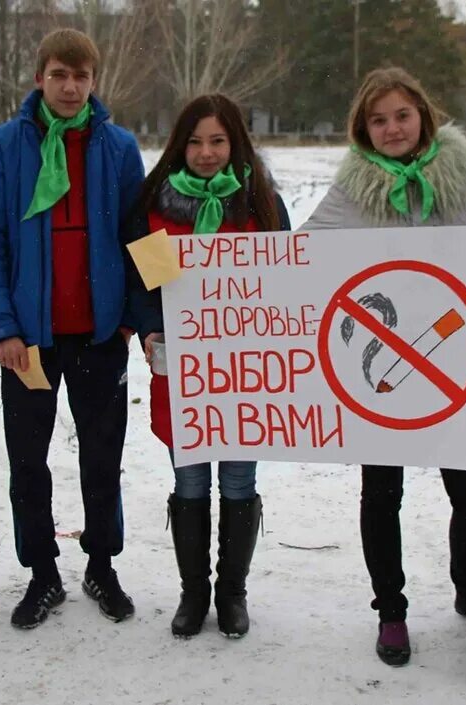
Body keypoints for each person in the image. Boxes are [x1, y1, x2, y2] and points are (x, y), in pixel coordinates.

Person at [301, 66, 466, 666]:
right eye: (378, 120)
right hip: (379, 379)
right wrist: (218, 271)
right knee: (381, 495)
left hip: (456, 368)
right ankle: (391, 612)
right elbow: (295, 257)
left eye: (402, 115)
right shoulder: (351, 191)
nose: (392, 129)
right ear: (363, 129)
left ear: (423, 116)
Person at [0, 28, 147, 629]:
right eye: (58, 75)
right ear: (39, 79)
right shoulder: (6, 146)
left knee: (103, 458)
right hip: (30, 339)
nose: (70, 87)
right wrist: (2, 328)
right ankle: (42, 573)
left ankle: (101, 562)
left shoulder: (118, 147)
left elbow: (138, 237)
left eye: (81, 76)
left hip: (100, 336)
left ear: (94, 81)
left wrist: (129, 320)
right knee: (28, 461)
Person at [131, 94, 291, 639]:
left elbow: (285, 279)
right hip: (181, 373)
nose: (205, 153)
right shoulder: (155, 203)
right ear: (180, 143)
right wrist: (151, 326)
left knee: (240, 477)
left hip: (243, 373)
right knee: (191, 478)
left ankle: (233, 593)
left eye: (217, 141)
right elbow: (144, 284)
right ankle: (194, 592)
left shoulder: (261, 204)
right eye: (195, 141)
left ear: (235, 143)